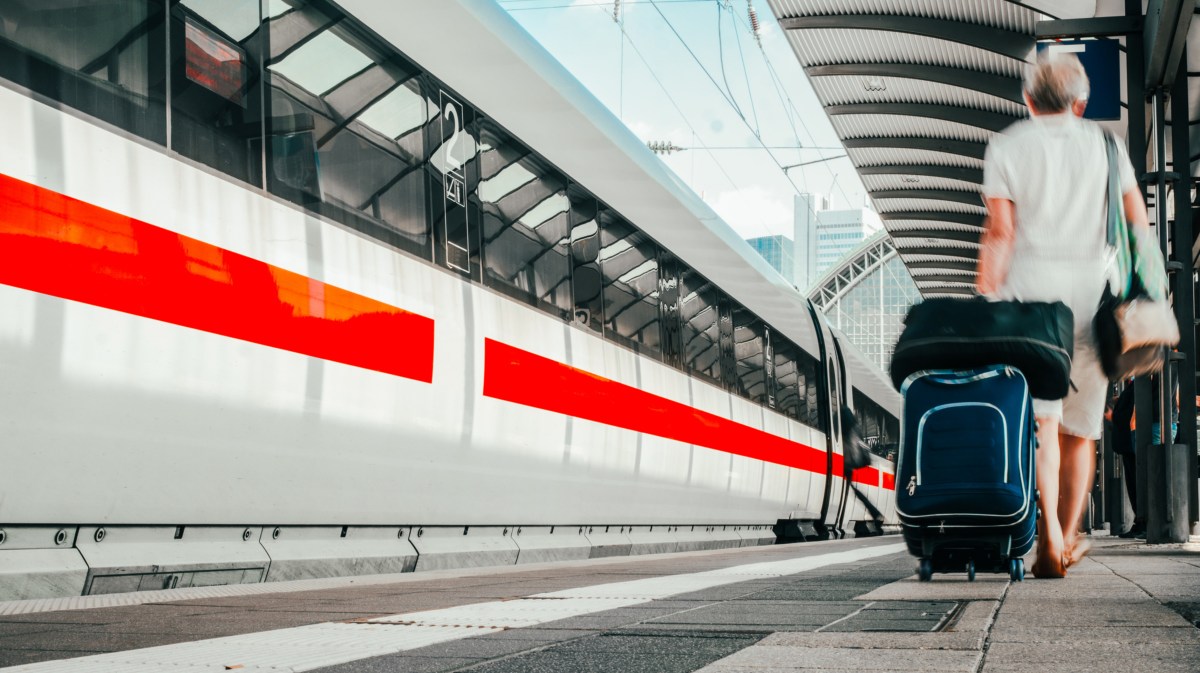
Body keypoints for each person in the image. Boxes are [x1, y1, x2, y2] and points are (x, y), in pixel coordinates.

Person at [976, 53, 1150, 578]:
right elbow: (1136, 224)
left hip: (1029, 309)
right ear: (1080, 101)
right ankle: (1070, 535)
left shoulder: (1006, 145)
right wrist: (1144, 290)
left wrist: (986, 293)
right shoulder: (1106, 145)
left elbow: (1001, 233)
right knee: (1081, 433)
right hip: (1090, 301)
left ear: (1028, 101)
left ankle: (1047, 530)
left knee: (1043, 426)